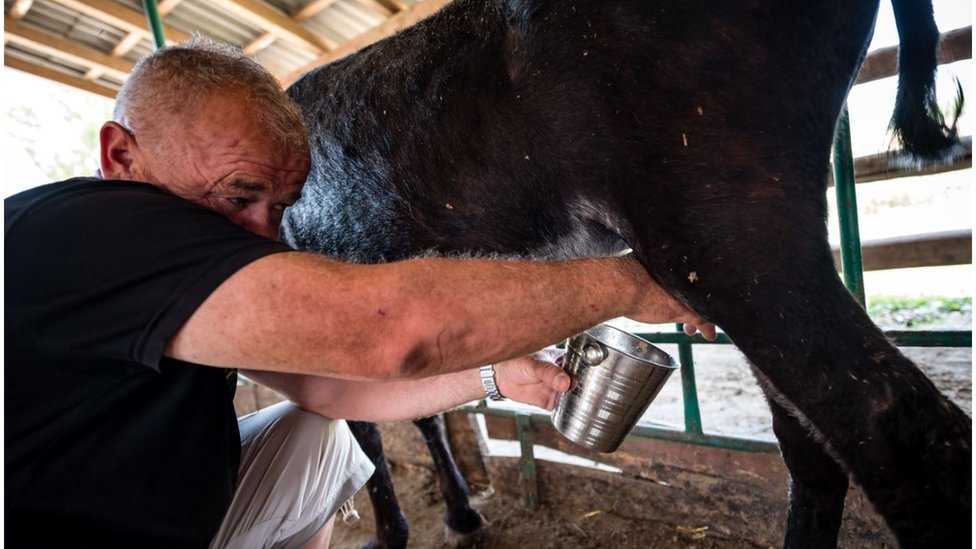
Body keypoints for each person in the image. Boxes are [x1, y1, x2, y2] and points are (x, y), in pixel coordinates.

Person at [4, 37, 715, 548]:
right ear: (120, 154)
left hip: (175, 513)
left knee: (317, 437)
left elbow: (332, 386)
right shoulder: (85, 229)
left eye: (279, 207)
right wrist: (629, 281)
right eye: (238, 195)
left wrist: (498, 377)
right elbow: (389, 333)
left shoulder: (179, 263)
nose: (261, 234)